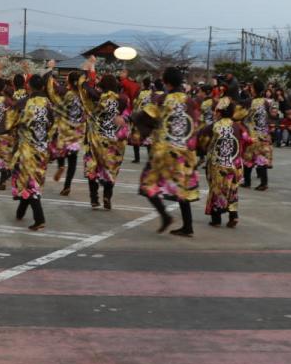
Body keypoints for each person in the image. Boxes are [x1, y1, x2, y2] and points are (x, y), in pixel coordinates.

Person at [136, 66, 200, 236]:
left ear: (165, 82)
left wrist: (128, 119)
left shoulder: (163, 99)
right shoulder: (190, 101)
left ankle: (165, 215)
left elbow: (145, 116)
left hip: (164, 152)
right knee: (181, 187)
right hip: (184, 151)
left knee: (148, 184)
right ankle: (188, 226)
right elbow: (195, 125)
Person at [9, 73, 55, 231]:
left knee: (30, 182)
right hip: (42, 148)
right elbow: (52, 123)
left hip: (27, 149)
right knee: (31, 179)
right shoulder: (48, 103)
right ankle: (20, 211)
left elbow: (10, 121)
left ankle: (39, 218)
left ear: (29, 86)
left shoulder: (24, 103)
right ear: (42, 87)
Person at [80, 59, 128, 210]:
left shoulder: (99, 98)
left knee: (92, 168)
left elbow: (88, 91)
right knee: (110, 168)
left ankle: (94, 198)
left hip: (96, 139)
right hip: (113, 139)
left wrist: (85, 78)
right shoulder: (122, 99)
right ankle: (107, 196)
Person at [199, 97, 251, 227]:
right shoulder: (238, 126)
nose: (214, 113)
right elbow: (247, 140)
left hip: (218, 165)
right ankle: (233, 215)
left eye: (216, 111)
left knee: (216, 189)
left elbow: (202, 141)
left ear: (220, 112)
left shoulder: (213, 126)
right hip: (235, 163)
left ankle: (216, 219)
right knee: (232, 189)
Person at [48, 66, 87, 197]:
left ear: (69, 81)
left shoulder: (68, 94)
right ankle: (67, 185)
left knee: (60, 151)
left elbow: (60, 109)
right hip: (77, 131)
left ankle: (60, 166)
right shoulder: (83, 95)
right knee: (73, 159)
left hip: (65, 129)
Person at [241, 82, 277, 191]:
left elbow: (243, 115)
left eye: (251, 88)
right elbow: (273, 115)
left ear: (254, 90)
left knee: (248, 158)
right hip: (264, 133)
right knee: (261, 158)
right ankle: (263, 183)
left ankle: (247, 182)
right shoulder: (266, 102)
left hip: (253, 134)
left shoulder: (251, 102)